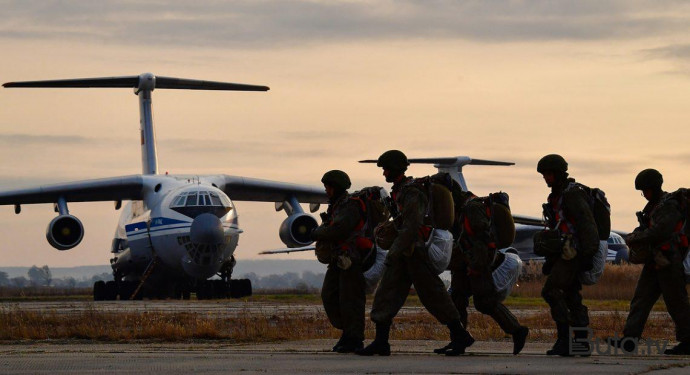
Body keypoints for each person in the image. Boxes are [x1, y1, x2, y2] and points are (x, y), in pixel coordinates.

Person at [356, 150, 473, 356]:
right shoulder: (401, 191)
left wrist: (394, 251)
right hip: (405, 253)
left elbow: (412, 225)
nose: (384, 173)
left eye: (386, 169)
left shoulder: (412, 192)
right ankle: (381, 342)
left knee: (434, 295)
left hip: (414, 252)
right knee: (386, 294)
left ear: (395, 169)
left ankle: (459, 335)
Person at [608, 169, 690, 355]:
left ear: (653, 188)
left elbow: (661, 231)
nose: (643, 195)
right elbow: (650, 228)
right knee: (641, 300)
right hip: (656, 261)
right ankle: (629, 340)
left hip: (669, 261)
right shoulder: (654, 207)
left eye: (645, 190)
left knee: (676, 302)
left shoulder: (668, 206)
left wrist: (637, 237)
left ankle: (688, 341)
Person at [444, 190, 529, 355]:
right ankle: (458, 341)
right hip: (466, 262)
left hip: (478, 263)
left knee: (485, 302)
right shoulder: (463, 208)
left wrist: (477, 266)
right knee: (457, 299)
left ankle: (517, 330)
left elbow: (483, 239)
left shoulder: (472, 209)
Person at [537, 154, 599, 356]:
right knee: (572, 296)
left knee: (551, 291)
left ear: (558, 173)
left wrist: (588, 255)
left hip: (573, 254)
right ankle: (580, 342)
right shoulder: (557, 195)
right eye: (544, 174)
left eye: (548, 174)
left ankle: (566, 339)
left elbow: (587, 225)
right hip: (563, 253)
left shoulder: (572, 195)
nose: (545, 178)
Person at [311, 170, 368, 353]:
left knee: (350, 300)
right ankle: (348, 333)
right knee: (329, 295)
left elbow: (339, 231)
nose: (326, 190)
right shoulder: (336, 207)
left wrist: (316, 232)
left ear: (336, 188)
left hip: (351, 260)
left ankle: (355, 338)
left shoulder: (350, 206)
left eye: (328, 187)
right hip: (338, 259)